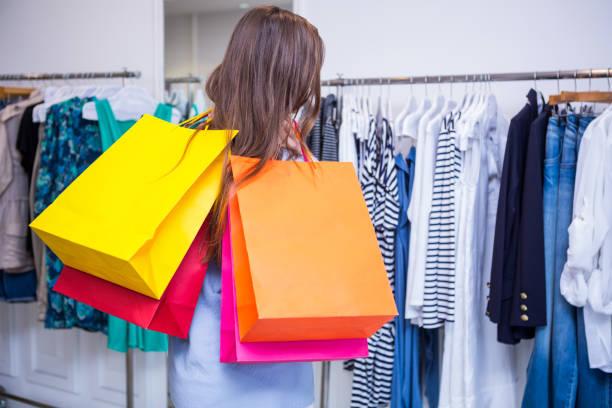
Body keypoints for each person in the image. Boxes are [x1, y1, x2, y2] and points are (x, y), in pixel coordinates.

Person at [168, 6, 324, 408]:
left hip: (209, 372)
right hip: (252, 378)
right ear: (284, 76)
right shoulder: (285, 161)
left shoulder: (190, 148)